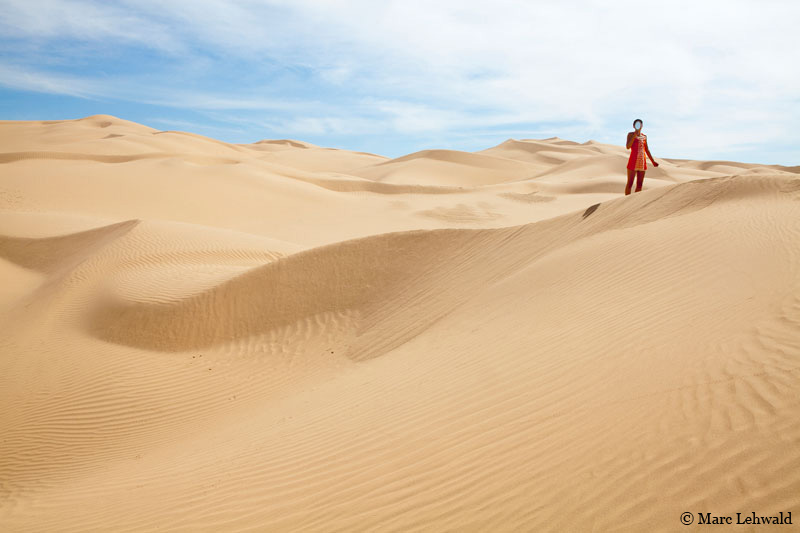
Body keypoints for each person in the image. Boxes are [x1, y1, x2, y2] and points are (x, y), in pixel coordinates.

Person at [625, 119, 658, 195]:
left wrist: (653, 161)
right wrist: (634, 136)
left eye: (640, 124)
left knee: (639, 185)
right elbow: (628, 146)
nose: (638, 126)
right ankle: (626, 202)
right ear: (634, 126)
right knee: (630, 183)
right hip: (633, 162)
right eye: (636, 124)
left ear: (642, 126)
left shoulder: (644, 137)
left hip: (642, 163)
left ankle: (635, 202)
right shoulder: (630, 134)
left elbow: (647, 150)